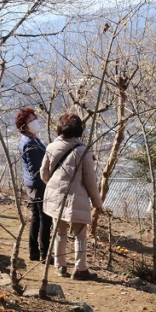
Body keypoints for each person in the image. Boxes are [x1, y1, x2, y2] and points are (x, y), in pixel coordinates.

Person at [40, 113, 103, 281]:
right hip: (76, 197)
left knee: (59, 232)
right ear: (79, 130)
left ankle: (60, 266)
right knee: (80, 234)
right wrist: (97, 202)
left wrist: (54, 186)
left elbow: (44, 174)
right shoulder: (83, 151)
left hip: (55, 196)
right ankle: (80, 269)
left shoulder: (51, 147)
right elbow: (90, 181)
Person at [16, 107, 51, 261]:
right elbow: (36, 168)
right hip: (38, 184)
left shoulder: (33, 138)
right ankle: (44, 253)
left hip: (33, 183)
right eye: (30, 120)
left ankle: (34, 251)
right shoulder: (29, 142)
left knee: (37, 217)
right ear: (24, 125)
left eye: (34, 118)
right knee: (44, 218)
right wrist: (45, 184)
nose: (34, 121)